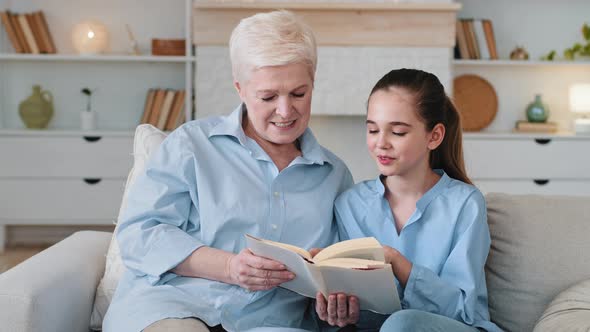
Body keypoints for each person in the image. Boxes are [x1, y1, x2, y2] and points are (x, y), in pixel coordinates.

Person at [103, 10, 354, 332]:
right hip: (174, 307)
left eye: (298, 93)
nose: (285, 110)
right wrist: (229, 266)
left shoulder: (334, 176)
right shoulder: (191, 145)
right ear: (240, 89)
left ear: (313, 83)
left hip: (272, 323)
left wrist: (338, 304)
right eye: (268, 96)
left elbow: (338, 271)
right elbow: (139, 234)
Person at [315, 68, 501, 332]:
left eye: (398, 132)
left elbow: (462, 311)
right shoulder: (349, 205)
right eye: (372, 130)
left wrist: (397, 263)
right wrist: (340, 313)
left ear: (434, 136)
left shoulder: (465, 204)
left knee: (403, 323)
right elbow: (367, 317)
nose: (381, 143)